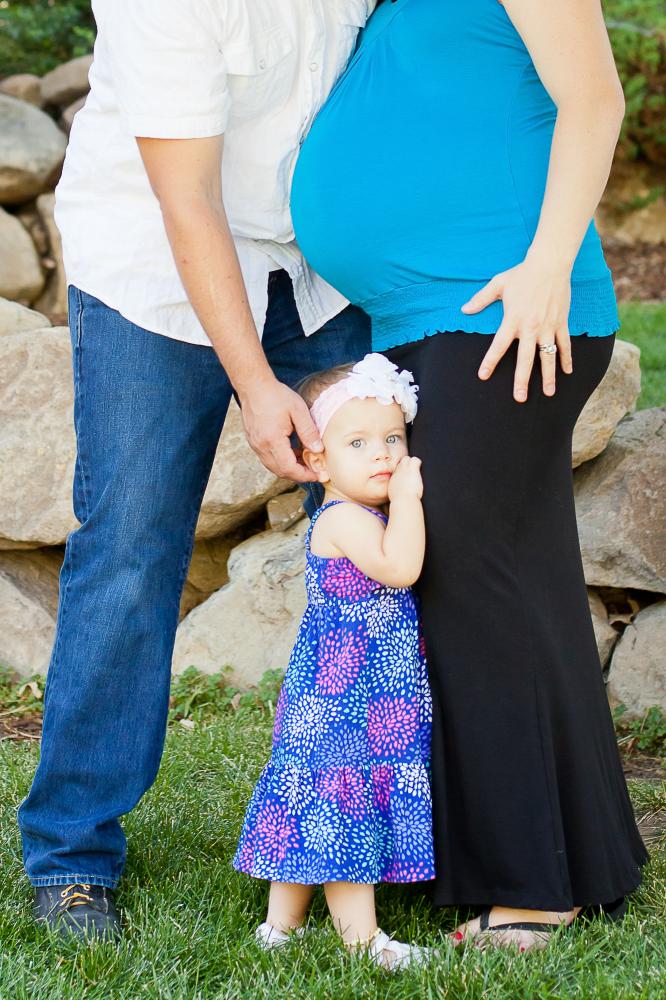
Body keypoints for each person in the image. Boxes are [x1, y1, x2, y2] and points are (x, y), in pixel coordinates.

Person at [291, 0, 647, 950]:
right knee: (508, 579)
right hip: (435, 318)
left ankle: (533, 887)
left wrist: (546, 265)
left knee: (476, 580)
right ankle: (575, 855)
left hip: (503, 309)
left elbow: (596, 101)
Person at [18, 0, 375, 940]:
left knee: (382, 534)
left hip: (315, 267)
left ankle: (387, 826)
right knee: (131, 547)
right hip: (157, 269)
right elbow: (190, 202)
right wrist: (256, 386)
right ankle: (71, 852)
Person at [234, 354, 433, 971]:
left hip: (354, 693)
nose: (383, 455)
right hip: (344, 698)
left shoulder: (360, 512)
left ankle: (280, 926)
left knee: (313, 802)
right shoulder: (346, 517)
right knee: (340, 806)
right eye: (358, 443)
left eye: (393, 439)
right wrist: (410, 498)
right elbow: (400, 567)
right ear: (318, 462)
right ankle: (363, 940)